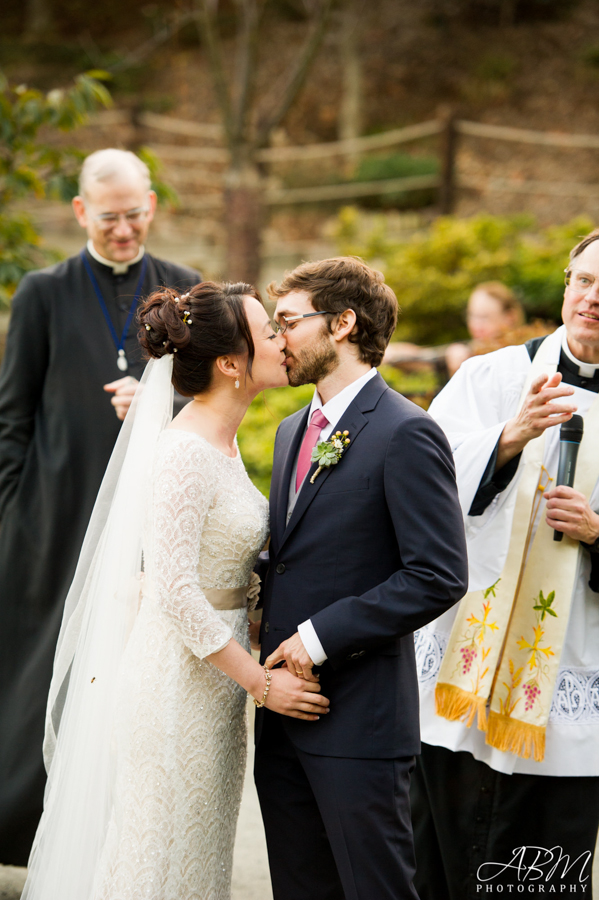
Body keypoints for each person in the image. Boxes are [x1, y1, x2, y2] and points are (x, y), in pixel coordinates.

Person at [21, 281, 330, 900]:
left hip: (212, 686)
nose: (281, 338)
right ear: (229, 363)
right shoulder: (187, 450)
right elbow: (174, 591)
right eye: (268, 330)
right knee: (156, 862)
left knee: (194, 860)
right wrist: (262, 684)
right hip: (173, 688)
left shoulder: (224, 439)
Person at [0, 148, 200, 865]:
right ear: (82, 211)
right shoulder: (42, 292)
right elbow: (11, 414)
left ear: (152, 205)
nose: (125, 230)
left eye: (136, 214)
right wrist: (12, 510)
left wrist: (163, 402)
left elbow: (214, 398)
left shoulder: (182, 289)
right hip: (49, 520)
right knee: (33, 675)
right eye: (110, 217)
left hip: (147, 523)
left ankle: (115, 843)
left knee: (128, 680)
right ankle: (24, 834)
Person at [252, 257, 469, 900]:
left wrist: (318, 638)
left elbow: (437, 574)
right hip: (283, 711)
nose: (276, 339)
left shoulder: (407, 431)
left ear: (343, 323)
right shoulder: (293, 431)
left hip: (361, 722)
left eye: (288, 322)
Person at [412, 230, 599, 898]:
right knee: (438, 864)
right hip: (465, 667)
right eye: (582, 280)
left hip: (570, 676)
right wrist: (507, 438)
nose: (591, 298)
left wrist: (597, 531)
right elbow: (419, 487)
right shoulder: (488, 379)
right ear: (565, 283)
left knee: (540, 879)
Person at [445, 281, 525, 376]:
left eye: (484, 317)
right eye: (471, 316)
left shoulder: (521, 356)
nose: (475, 325)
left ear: (509, 317)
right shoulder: (468, 355)